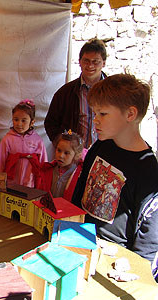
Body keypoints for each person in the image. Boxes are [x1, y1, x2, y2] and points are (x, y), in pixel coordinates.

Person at [71, 74, 158, 281]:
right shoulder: (101, 146)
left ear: (130, 114)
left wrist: (135, 271)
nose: (95, 120)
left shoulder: (149, 170)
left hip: (115, 261)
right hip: (79, 241)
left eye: (102, 113)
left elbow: (150, 234)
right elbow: (81, 188)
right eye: (94, 113)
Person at [44, 38, 107, 148]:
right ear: (79, 62)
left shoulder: (115, 93)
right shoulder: (65, 93)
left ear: (104, 63)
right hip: (74, 158)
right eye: (86, 60)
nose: (90, 65)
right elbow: (51, 123)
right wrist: (63, 146)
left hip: (105, 154)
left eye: (95, 61)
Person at [0, 100, 48, 187]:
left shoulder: (38, 140)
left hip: (30, 182)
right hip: (11, 181)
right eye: (16, 119)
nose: (19, 124)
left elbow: (43, 162)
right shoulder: (7, 139)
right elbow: (1, 161)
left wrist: (44, 179)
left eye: (24, 120)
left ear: (32, 122)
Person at [28, 130, 84, 201]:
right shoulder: (48, 170)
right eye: (59, 150)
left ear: (76, 155)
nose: (61, 156)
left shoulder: (79, 176)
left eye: (66, 153)